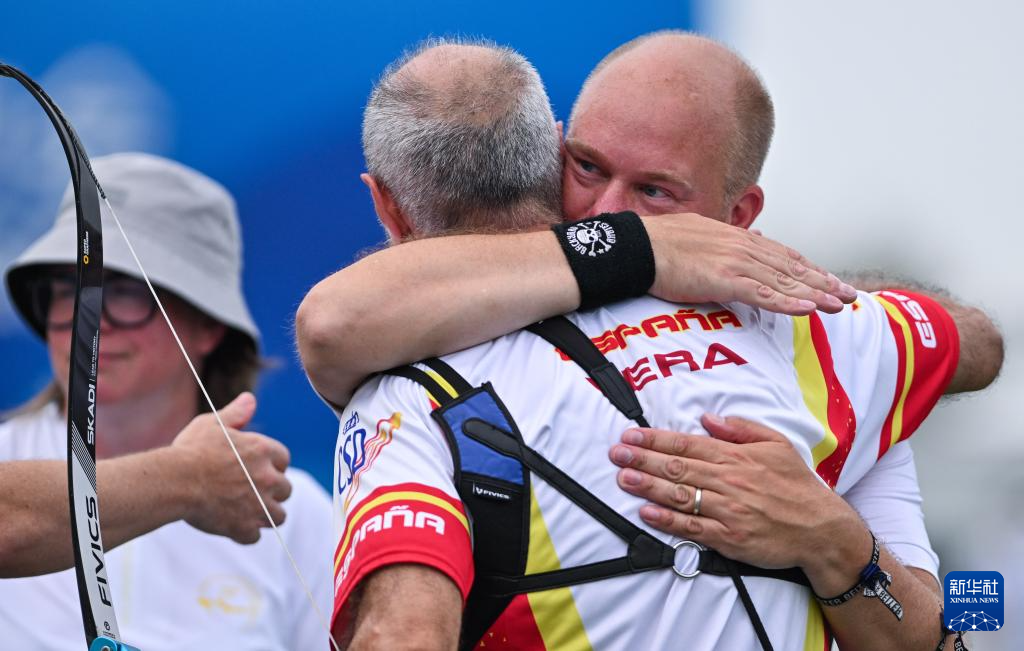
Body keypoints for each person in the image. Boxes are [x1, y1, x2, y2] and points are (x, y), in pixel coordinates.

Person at [310, 39, 1001, 650]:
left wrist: (833, 539)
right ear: (553, 152)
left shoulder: (815, 329)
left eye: (655, 192)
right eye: (587, 168)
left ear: (739, 217)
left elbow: (980, 344)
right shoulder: (822, 338)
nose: (611, 213)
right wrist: (644, 247)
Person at [0, 152, 333, 649]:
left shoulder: (292, 509)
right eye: (70, 289)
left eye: (126, 292)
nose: (91, 321)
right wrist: (190, 479)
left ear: (208, 325)